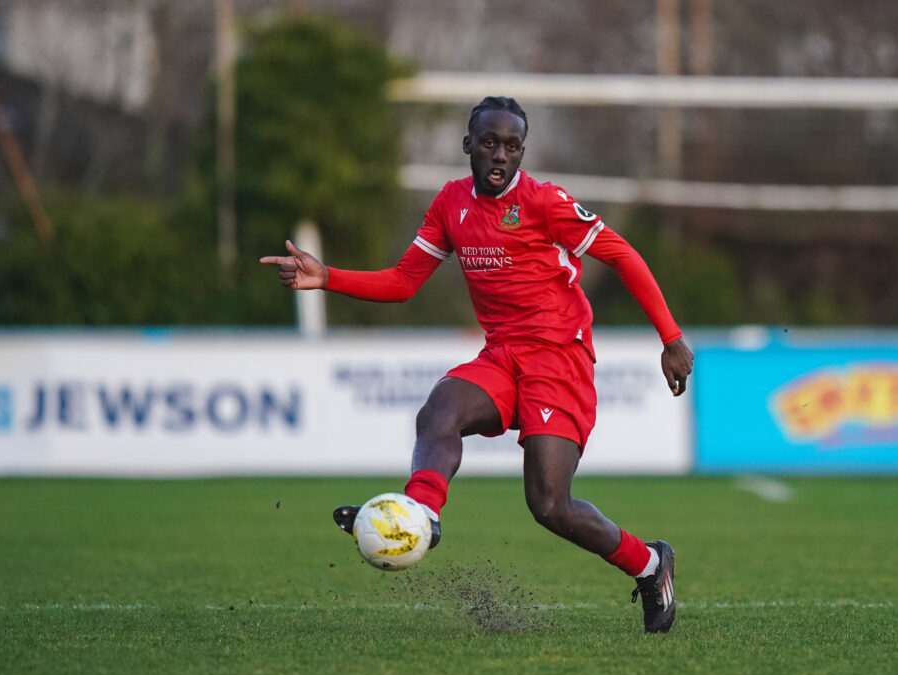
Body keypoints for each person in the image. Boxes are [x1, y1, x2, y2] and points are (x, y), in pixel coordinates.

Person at [260, 96, 693, 634]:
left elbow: (623, 254)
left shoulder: (546, 201)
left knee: (550, 504)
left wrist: (671, 338)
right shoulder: (450, 203)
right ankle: (421, 516)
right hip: (503, 355)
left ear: (522, 152)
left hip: (560, 360)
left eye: (512, 146)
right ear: (468, 145)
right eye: (489, 143)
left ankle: (651, 565)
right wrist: (329, 278)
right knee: (441, 407)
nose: (500, 156)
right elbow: (403, 281)